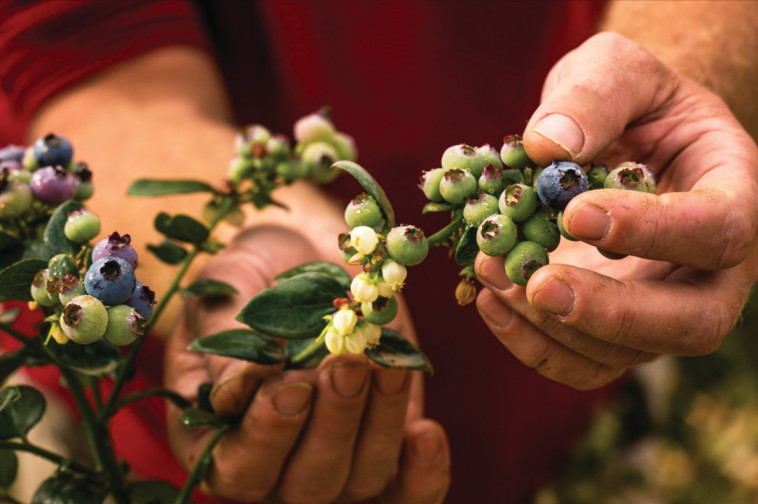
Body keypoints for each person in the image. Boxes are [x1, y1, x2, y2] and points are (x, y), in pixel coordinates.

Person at [1, 1, 758, 503]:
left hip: (573, 426)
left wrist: (677, 93)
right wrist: (249, 243)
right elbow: (81, 44)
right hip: (137, 455)